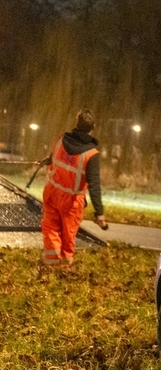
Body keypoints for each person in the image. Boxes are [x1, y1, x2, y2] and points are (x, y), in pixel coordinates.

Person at [40, 109, 107, 266]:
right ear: (93, 127)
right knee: (68, 235)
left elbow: (53, 158)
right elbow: (94, 184)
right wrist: (100, 213)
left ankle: (51, 264)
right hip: (71, 201)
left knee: (50, 228)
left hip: (52, 192)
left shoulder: (61, 139)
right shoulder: (91, 154)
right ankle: (64, 267)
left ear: (77, 124)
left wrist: (47, 160)